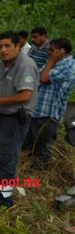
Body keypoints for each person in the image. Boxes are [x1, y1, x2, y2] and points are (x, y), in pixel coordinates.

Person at [0, 31, 39, 207]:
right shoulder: (4, 63)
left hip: (16, 117)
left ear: (18, 46)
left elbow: (26, 95)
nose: (3, 50)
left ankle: (4, 200)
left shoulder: (25, 65)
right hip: (3, 115)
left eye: (8, 46)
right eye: (0, 47)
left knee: (6, 157)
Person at [23, 38, 75, 170]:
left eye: (52, 50)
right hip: (39, 108)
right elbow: (37, 75)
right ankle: (28, 162)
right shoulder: (55, 62)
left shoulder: (67, 66)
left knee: (44, 143)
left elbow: (44, 78)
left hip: (49, 111)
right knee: (32, 138)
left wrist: (51, 61)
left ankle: (40, 168)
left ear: (61, 51)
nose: (49, 53)